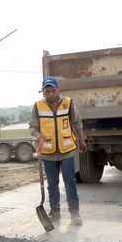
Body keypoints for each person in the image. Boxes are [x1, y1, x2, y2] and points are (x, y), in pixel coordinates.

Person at [29, 76, 88, 226]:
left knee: (70, 182)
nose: (50, 94)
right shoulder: (38, 106)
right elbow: (33, 127)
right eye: (47, 91)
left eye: (53, 90)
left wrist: (82, 141)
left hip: (66, 151)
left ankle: (75, 214)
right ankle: (55, 212)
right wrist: (38, 136)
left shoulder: (68, 103)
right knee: (52, 184)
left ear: (58, 90)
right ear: (43, 91)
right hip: (48, 153)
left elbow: (77, 123)